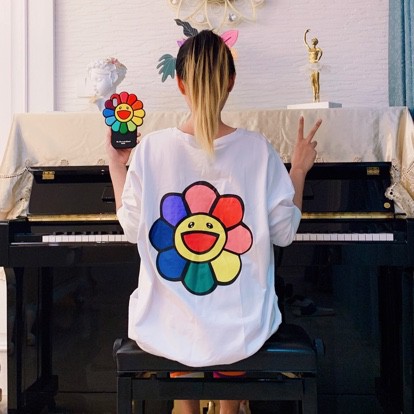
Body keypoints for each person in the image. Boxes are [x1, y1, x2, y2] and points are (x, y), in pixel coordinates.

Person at [106, 30, 321, 414]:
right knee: (228, 324)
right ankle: (229, 406)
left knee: (180, 319)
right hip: (241, 329)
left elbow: (132, 227)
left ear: (180, 83)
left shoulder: (150, 148)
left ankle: (186, 405)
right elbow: (284, 232)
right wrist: (300, 169)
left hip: (166, 326)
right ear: (230, 81)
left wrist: (114, 162)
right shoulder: (257, 149)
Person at [304, 29, 323, 102]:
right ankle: (314, 95)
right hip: (311, 65)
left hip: (316, 65)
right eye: (312, 41)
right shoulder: (310, 49)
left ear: (316, 42)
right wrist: (305, 33)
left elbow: (321, 52)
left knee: (317, 81)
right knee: (312, 81)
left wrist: (318, 59)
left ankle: (318, 95)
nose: (312, 42)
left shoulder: (317, 49)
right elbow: (305, 42)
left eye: (314, 41)